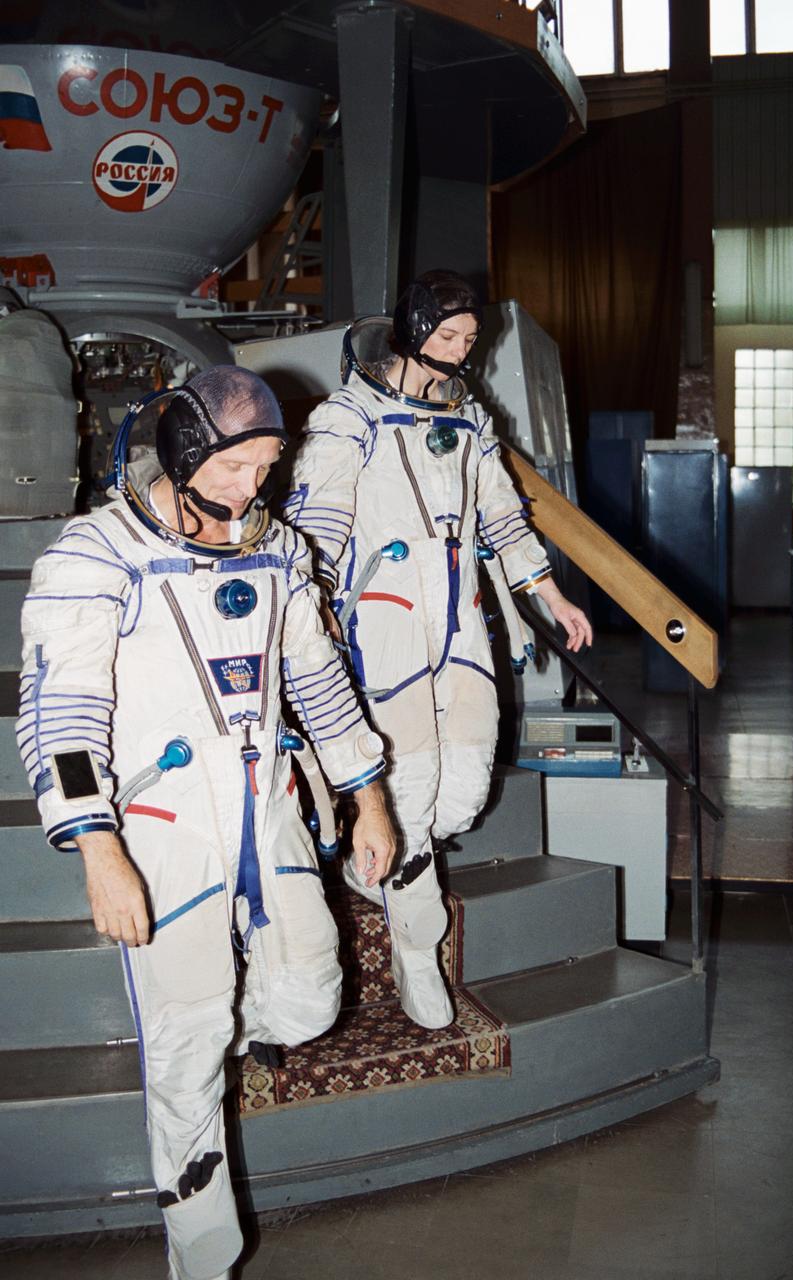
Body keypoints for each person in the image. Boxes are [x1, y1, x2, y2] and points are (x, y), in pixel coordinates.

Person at [16, 366, 395, 1280]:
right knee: (186, 1057)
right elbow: (61, 714)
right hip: (162, 828)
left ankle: (221, 1016)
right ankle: (205, 1258)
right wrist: (96, 847)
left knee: (311, 1000)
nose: (249, 486)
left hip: (268, 815)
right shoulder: (95, 555)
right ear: (184, 451)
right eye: (234, 467)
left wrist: (366, 793)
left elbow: (317, 679)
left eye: (266, 465)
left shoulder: (278, 550)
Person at [284, 269, 592, 1031]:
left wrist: (547, 594)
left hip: (458, 617)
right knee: (411, 789)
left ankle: (375, 867)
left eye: (470, 341)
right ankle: (419, 946)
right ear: (416, 328)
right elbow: (317, 531)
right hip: (384, 625)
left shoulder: (469, 417)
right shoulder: (348, 418)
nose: (462, 353)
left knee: (463, 793)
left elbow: (502, 514)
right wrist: (309, 618)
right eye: (450, 337)